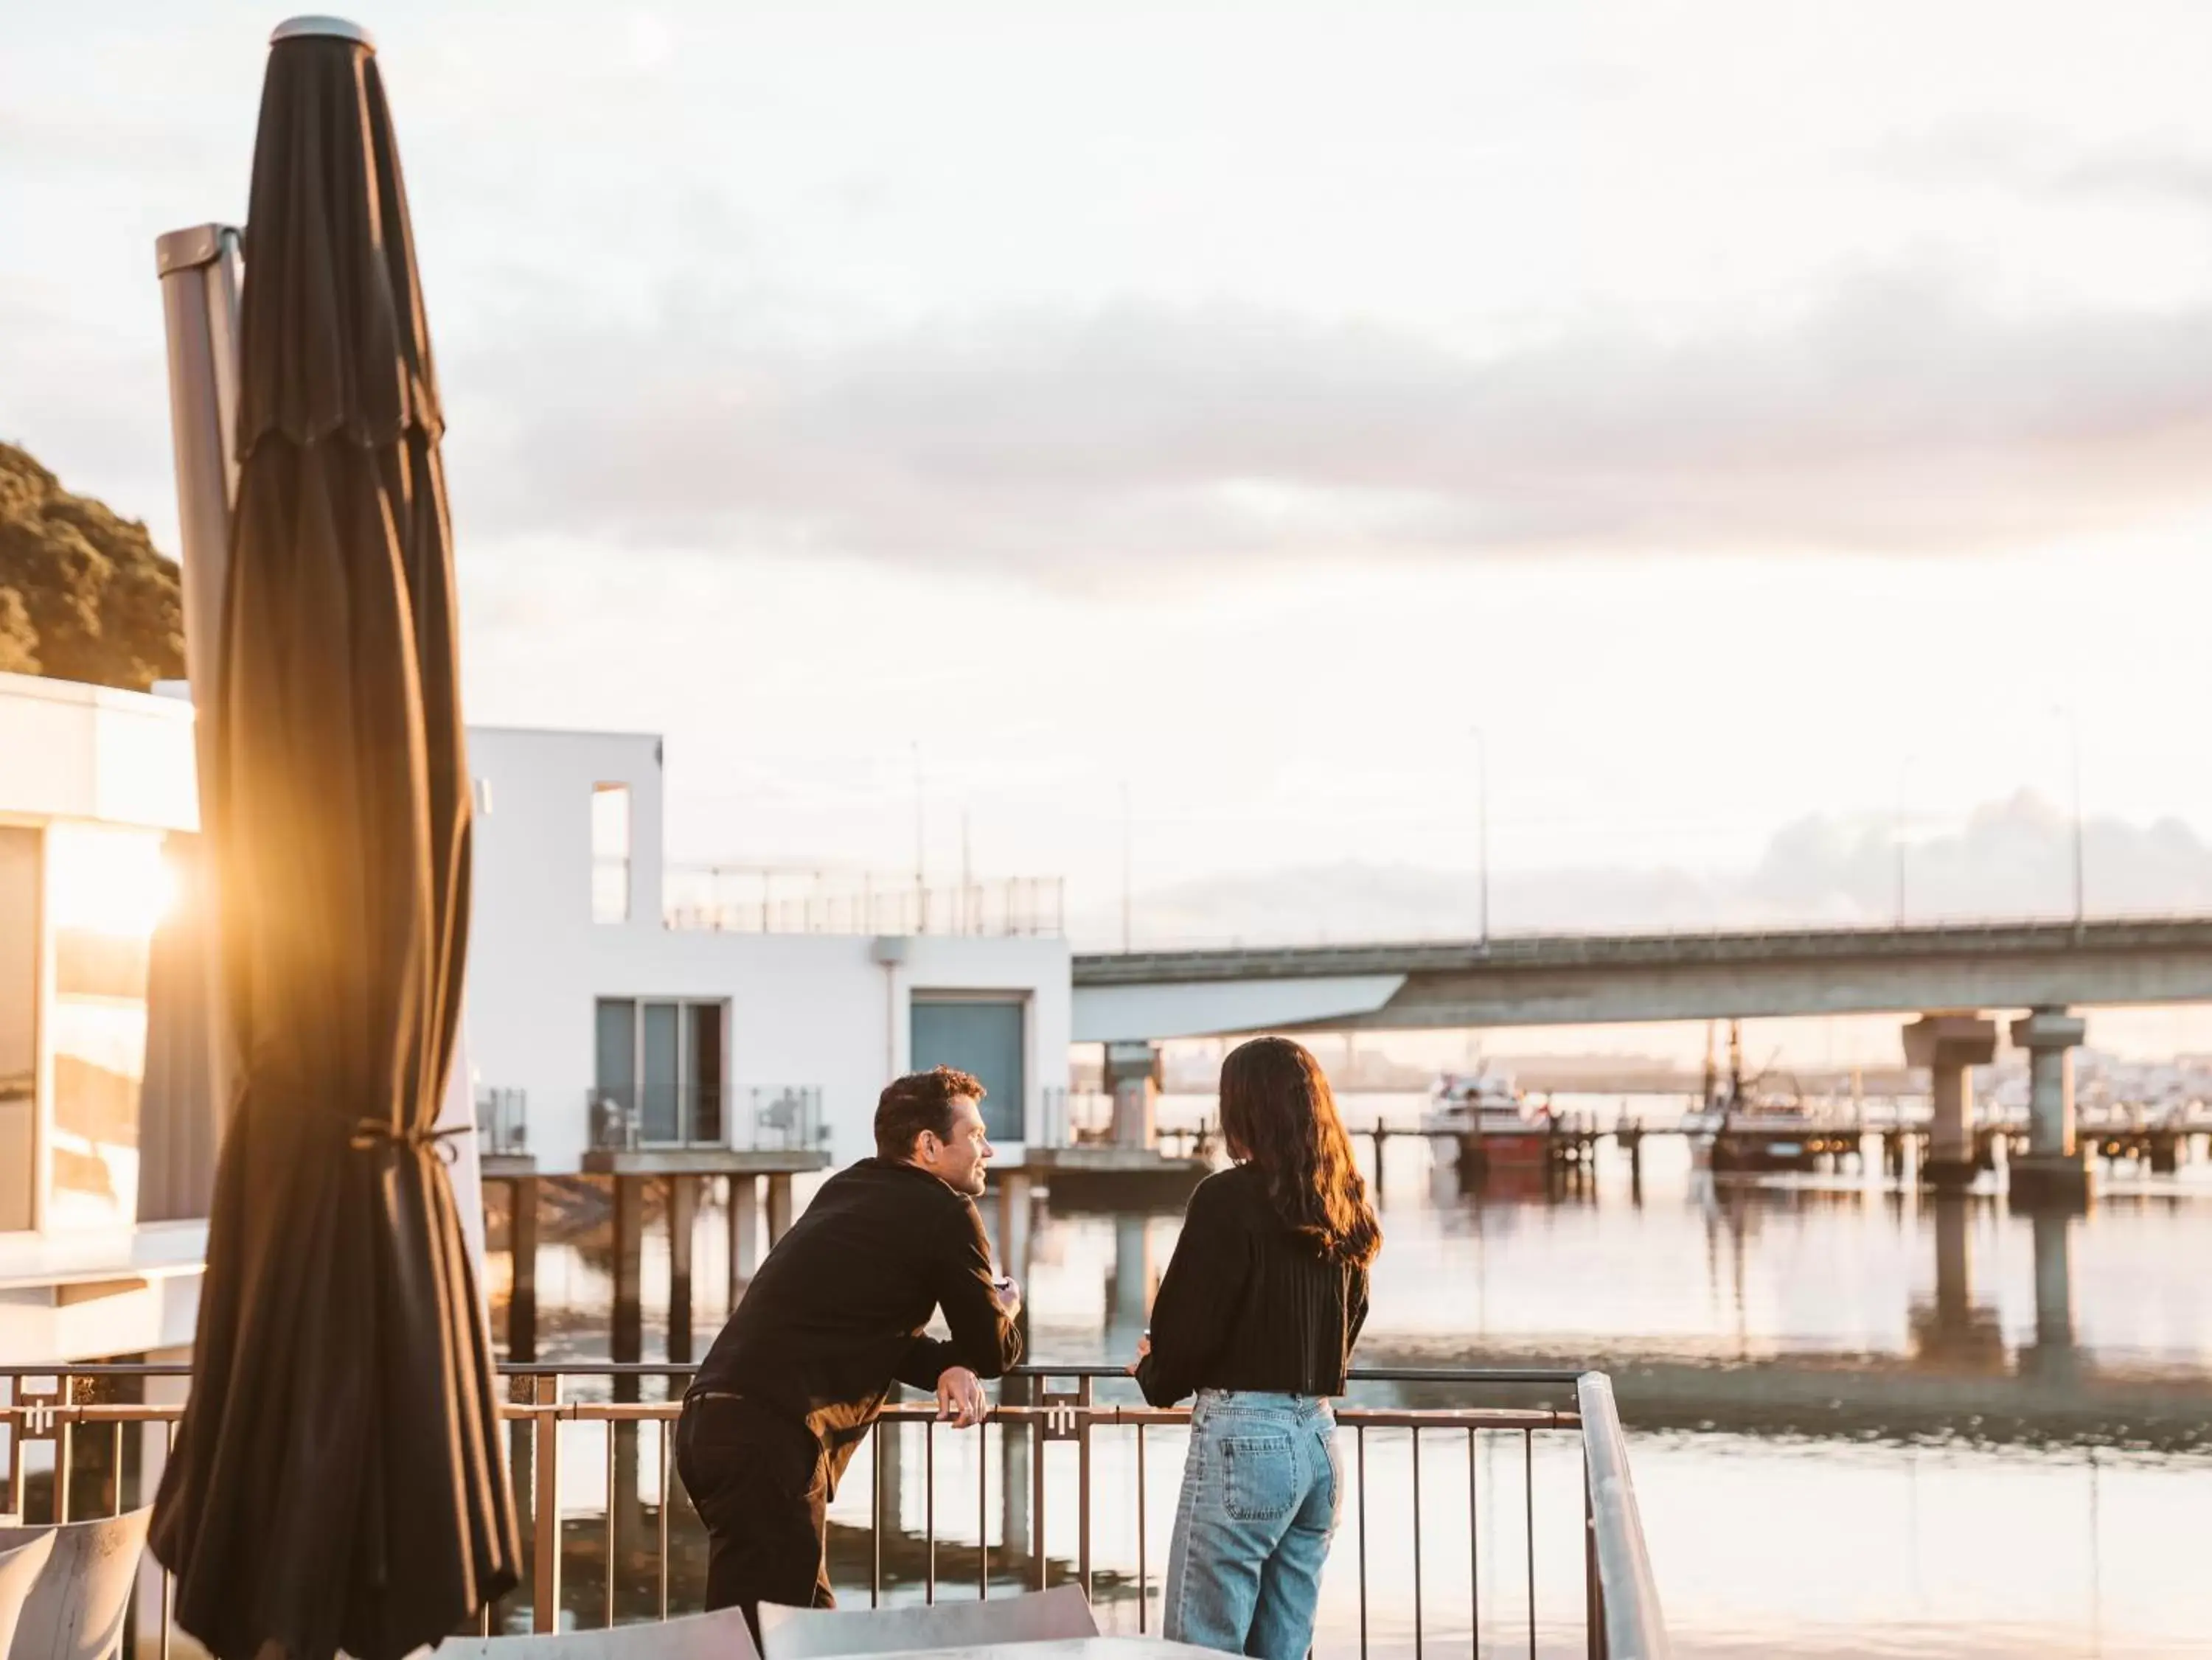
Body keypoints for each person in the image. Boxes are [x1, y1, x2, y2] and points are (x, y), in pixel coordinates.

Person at [675, 1067, 1023, 1636]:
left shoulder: (846, 1188)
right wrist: (1005, 1306)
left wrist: (946, 1365)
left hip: (709, 1425)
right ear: (930, 1146)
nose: (988, 1149)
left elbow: (869, 1330)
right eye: (976, 1135)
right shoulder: (946, 1211)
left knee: (807, 1630)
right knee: (763, 1638)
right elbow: (994, 1350)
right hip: (774, 1439)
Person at [1133, 1036, 1381, 1660]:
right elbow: (1354, 1315)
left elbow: (1189, 1323)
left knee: (1202, 1646)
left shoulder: (1226, 1197)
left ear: (1242, 1110)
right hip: (1320, 1437)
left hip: (1245, 1437)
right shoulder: (1342, 1196)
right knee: (1285, 1645)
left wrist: (1154, 1373)